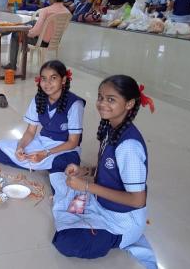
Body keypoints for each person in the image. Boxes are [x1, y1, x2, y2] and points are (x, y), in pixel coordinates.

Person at [50, 75, 157, 268]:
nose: (102, 104)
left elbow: (137, 200)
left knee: (66, 241)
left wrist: (87, 186)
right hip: (101, 204)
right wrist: (84, 171)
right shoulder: (111, 128)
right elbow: (108, 169)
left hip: (121, 221)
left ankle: (115, 238)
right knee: (60, 166)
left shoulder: (129, 146)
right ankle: (89, 219)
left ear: (129, 104)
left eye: (111, 99)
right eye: (100, 97)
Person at [0, 60, 85, 173]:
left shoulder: (75, 104)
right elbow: (30, 132)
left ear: (64, 80)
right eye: (44, 78)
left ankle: (40, 164)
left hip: (64, 149)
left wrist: (46, 154)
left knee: (63, 163)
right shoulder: (39, 99)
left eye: (53, 78)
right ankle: (37, 165)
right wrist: (20, 148)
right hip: (42, 143)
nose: (47, 83)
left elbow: (73, 142)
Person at [2, 0, 70, 70]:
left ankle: (12, 64)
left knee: (15, 34)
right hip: (55, 41)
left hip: (41, 42)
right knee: (33, 22)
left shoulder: (46, 10)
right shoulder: (67, 12)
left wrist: (26, 32)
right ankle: (13, 29)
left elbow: (35, 32)